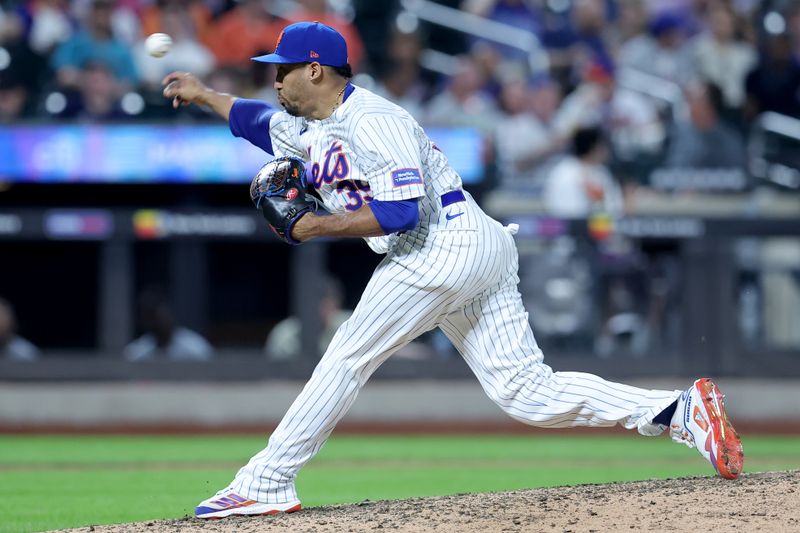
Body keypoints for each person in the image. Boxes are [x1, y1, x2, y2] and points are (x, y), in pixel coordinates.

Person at [161, 21, 744, 519]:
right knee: (526, 394)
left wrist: (314, 226)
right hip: (473, 247)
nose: (275, 78)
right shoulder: (310, 126)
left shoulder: (373, 120)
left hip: (438, 243)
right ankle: (676, 409)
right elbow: (255, 122)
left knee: (346, 356)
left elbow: (398, 210)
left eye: (282, 68)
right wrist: (203, 92)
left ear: (315, 70)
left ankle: (264, 483)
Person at [264, 277, 351, 361]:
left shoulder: (347, 325)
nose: (325, 310)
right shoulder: (285, 334)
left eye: (331, 304)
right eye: (320, 303)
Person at [123, 288, 212, 362]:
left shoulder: (195, 348)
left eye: (160, 317)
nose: (157, 323)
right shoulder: (137, 352)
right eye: (150, 318)